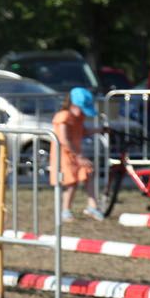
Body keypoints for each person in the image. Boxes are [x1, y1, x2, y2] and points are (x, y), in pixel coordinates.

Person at [52, 86, 101, 221]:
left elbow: (83, 131)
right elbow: (64, 139)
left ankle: (92, 206)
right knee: (71, 182)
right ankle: (65, 210)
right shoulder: (64, 116)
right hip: (64, 155)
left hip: (76, 153)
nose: (84, 114)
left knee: (88, 172)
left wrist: (100, 130)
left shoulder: (78, 118)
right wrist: (79, 157)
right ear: (73, 105)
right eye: (82, 109)